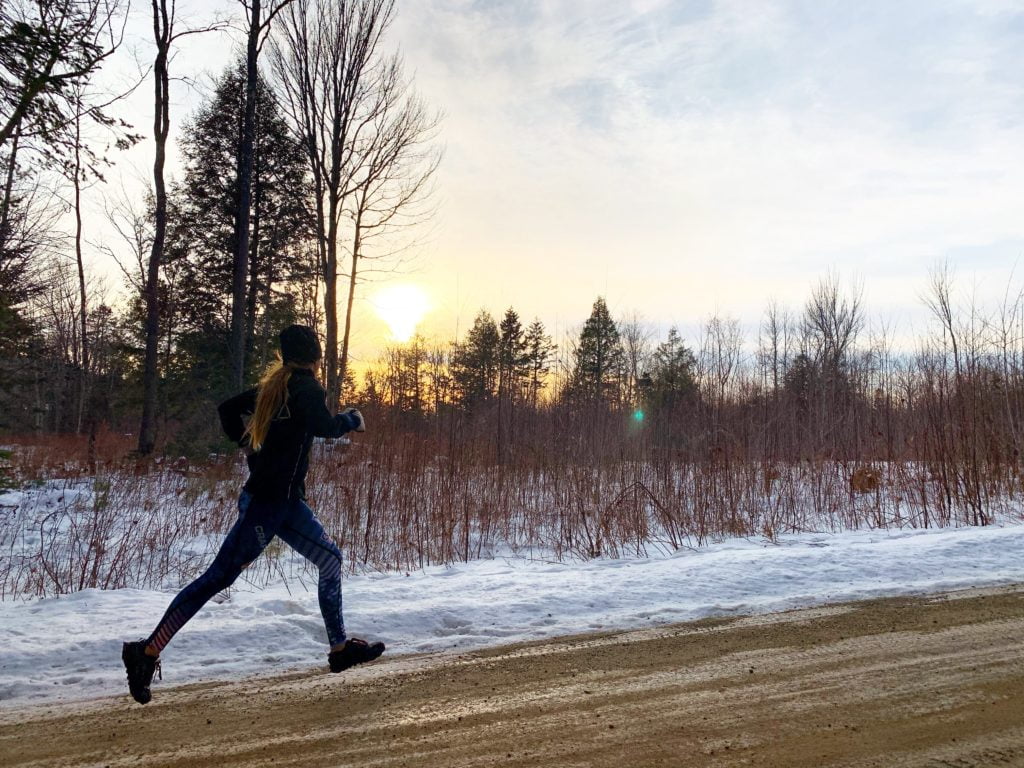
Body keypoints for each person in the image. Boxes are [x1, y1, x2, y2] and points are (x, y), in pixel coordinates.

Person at [122, 324, 384, 705]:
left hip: (286, 503)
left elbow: (228, 409)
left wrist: (251, 450)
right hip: (265, 505)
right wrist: (351, 419)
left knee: (330, 560)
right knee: (218, 577)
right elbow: (325, 427)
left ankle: (340, 650)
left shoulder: (276, 386)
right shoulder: (305, 388)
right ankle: (145, 652)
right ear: (315, 354)